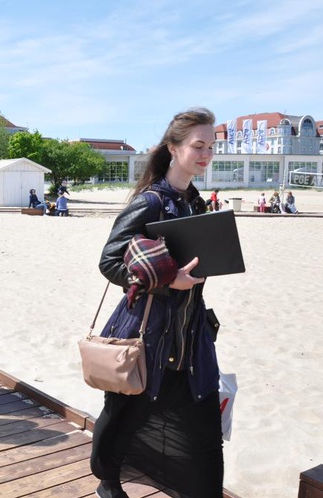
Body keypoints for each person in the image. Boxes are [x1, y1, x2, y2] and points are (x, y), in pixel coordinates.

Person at [90, 108, 223, 498]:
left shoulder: (196, 203)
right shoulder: (151, 202)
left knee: (204, 435)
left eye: (211, 147)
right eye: (198, 145)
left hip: (191, 338)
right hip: (147, 332)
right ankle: (108, 482)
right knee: (124, 416)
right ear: (173, 147)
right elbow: (109, 262)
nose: (206, 154)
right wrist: (167, 281)